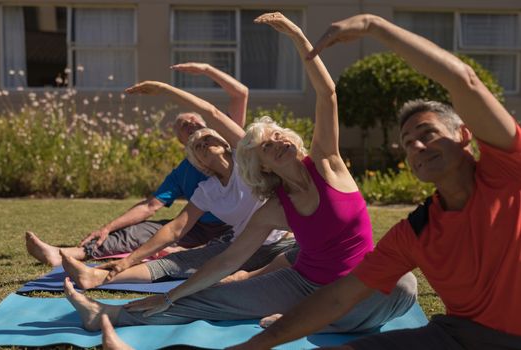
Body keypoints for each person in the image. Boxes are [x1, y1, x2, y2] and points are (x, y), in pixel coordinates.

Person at [62, 12, 416, 336]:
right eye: (265, 146)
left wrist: (296, 35)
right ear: (261, 166)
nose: (275, 141)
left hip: (357, 282)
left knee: (405, 286)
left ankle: (308, 318)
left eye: (278, 135)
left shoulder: (328, 163)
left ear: (291, 139)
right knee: (212, 297)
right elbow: (228, 260)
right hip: (302, 282)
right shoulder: (274, 209)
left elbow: (328, 93)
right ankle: (106, 314)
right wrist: (172, 295)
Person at [228, 13, 521, 350]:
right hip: (455, 335)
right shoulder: (416, 232)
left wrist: (374, 27)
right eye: (409, 142)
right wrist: (256, 345)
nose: (418, 146)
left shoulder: (506, 170)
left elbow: (463, 80)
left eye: (428, 133)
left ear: (463, 135)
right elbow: (340, 297)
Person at [25, 63, 248, 267]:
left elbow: (239, 95)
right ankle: (67, 254)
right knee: (143, 232)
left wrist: (206, 70)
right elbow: (150, 206)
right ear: (183, 143)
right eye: (183, 126)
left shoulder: (227, 144)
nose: (190, 124)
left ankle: (180, 252)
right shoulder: (186, 175)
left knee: (227, 243)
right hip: (196, 228)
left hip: (238, 227)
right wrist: (108, 227)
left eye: (194, 121)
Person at [61, 126, 295, 289]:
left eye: (208, 139)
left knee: (291, 260)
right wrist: (129, 260)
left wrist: (168, 90)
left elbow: (218, 111)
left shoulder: (247, 165)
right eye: (197, 147)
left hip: (279, 242)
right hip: (239, 248)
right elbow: (176, 228)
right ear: (199, 163)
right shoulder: (207, 190)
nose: (202, 144)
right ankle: (95, 277)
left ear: (224, 143)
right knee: (181, 263)